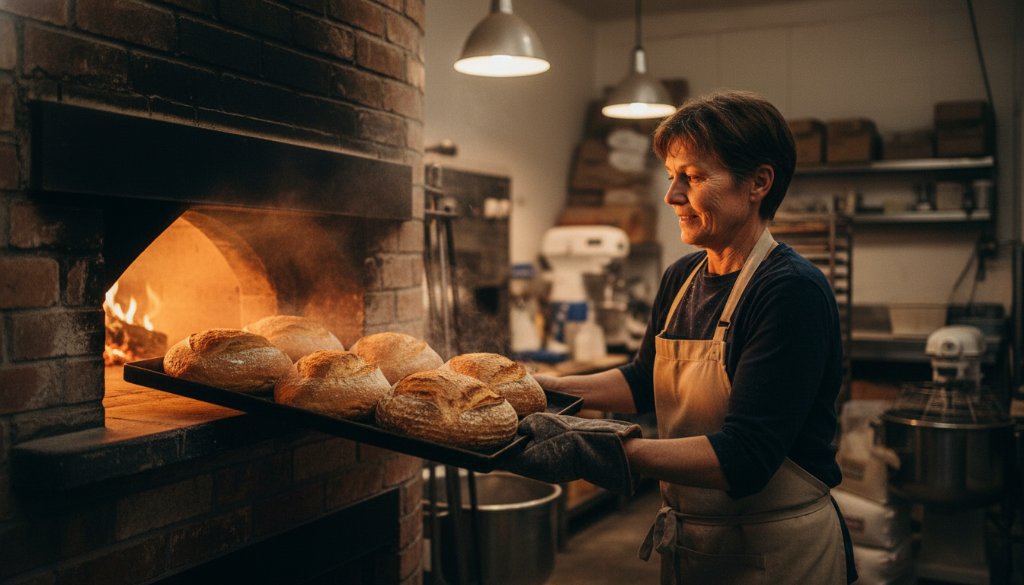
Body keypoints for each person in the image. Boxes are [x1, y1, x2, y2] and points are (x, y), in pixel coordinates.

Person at [503, 89, 857, 584]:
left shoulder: (790, 291)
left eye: (691, 177)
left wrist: (599, 449)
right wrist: (539, 388)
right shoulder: (682, 277)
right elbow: (644, 380)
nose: (672, 196)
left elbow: (747, 456)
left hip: (777, 553)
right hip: (694, 543)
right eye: (672, 178)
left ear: (758, 182)